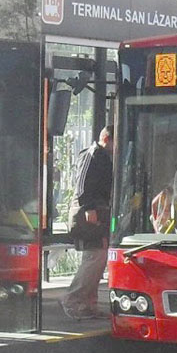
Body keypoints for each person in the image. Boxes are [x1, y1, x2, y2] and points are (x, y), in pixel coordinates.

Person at [62, 125, 113, 320]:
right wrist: (89, 207)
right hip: (89, 214)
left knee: (97, 258)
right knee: (95, 258)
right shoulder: (92, 155)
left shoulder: (103, 157)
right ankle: (73, 299)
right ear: (107, 139)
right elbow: (82, 184)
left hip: (98, 213)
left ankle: (88, 303)